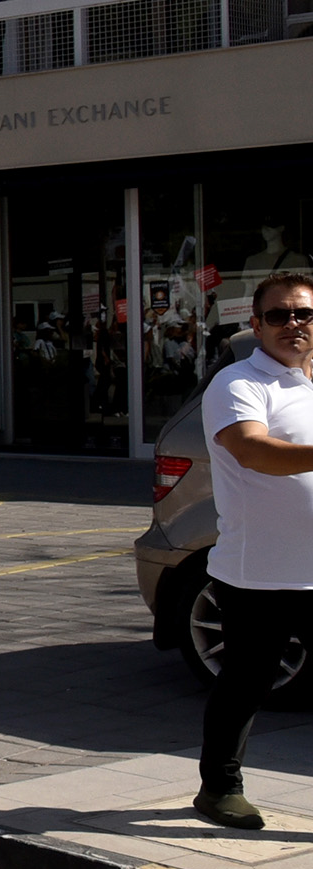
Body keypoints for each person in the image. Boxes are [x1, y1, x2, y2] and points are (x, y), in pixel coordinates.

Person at [194, 272, 313, 829]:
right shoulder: (239, 382)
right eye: (278, 315)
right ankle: (219, 789)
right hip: (260, 574)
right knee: (246, 683)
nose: (293, 324)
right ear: (257, 324)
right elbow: (252, 450)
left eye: (303, 313)